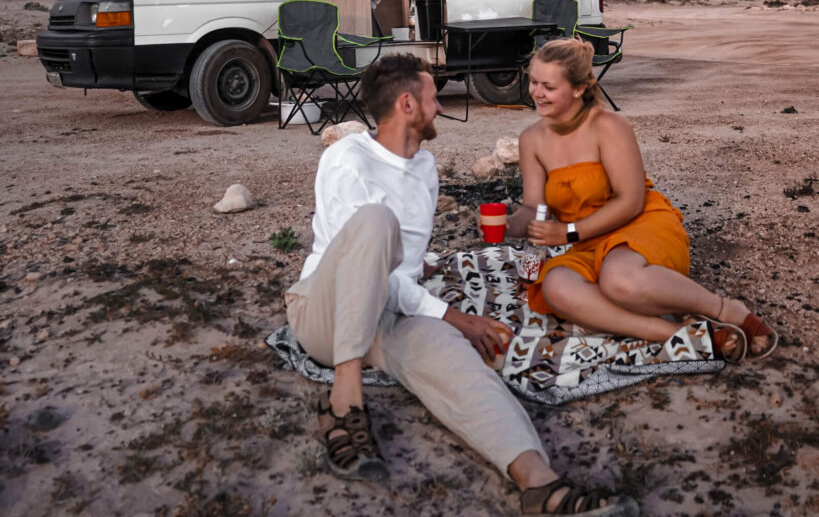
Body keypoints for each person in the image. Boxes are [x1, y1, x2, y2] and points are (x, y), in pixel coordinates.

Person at [285, 53, 638, 517]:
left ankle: (540, 485)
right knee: (375, 221)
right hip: (325, 314)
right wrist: (454, 315)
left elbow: (400, 267)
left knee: (464, 368)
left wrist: (430, 280)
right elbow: (360, 258)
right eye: (433, 97)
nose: (440, 106)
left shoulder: (425, 168)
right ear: (408, 104)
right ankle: (344, 402)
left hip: (389, 316)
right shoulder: (347, 158)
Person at [506, 39, 778, 362]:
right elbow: (534, 209)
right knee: (554, 287)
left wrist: (567, 233)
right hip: (587, 242)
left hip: (639, 224)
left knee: (617, 281)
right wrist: (506, 226)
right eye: (533, 81)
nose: (536, 92)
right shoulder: (532, 140)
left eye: (548, 86)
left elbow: (630, 202)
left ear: (578, 89)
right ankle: (683, 336)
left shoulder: (608, 126)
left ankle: (725, 309)